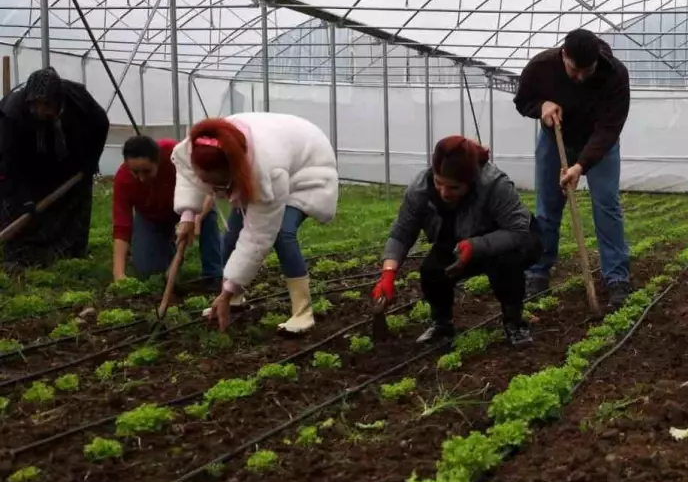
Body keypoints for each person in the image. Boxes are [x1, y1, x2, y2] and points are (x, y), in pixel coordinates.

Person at [172, 113, 339, 334]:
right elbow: (189, 176)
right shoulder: (198, 147)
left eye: (220, 184)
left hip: (308, 169)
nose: (215, 190)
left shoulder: (268, 172)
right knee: (232, 235)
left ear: (234, 171)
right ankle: (234, 298)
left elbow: (258, 237)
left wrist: (226, 291)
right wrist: (187, 216)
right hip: (274, 157)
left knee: (282, 233)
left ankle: (303, 312)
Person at [373, 135, 542, 346]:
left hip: (505, 239)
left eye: (454, 188)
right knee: (432, 271)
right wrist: (388, 273)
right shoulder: (420, 189)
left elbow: (518, 230)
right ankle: (442, 324)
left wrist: (475, 246)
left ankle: (514, 322)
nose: (444, 192)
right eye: (438, 182)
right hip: (457, 240)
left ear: (470, 181)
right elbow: (401, 233)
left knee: (506, 265)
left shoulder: (494, 185)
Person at [513, 28, 633, 308]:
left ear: (597, 60)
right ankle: (537, 273)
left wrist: (580, 165)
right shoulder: (541, 67)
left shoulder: (615, 75)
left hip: (600, 145)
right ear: (563, 55)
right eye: (574, 70)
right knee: (547, 207)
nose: (579, 77)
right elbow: (522, 101)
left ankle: (617, 278)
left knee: (607, 206)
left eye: (586, 71)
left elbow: (609, 128)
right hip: (555, 140)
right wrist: (542, 106)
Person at [0, 67, 109, 267]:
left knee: (74, 204)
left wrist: (91, 161)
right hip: (26, 164)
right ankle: (20, 254)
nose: (40, 111)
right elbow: (10, 162)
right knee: (19, 204)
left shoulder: (77, 98)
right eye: (35, 105)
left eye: (46, 105)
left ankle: (69, 252)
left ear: (58, 100)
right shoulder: (13, 114)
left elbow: (101, 123)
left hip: (70, 161)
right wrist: (25, 198)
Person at [112, 135, 222, 287]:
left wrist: (196, 218)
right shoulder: (123, 179)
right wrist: (118, 274)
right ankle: (171, 255)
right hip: (152, 217)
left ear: (158, 161)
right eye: (135, 172)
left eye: (146, 171)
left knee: (207, 215)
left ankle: (214, 273)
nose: (141, 178)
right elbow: (121, 226)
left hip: (189, 207)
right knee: (149, 272)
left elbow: (207, 187)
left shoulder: (176, 154)